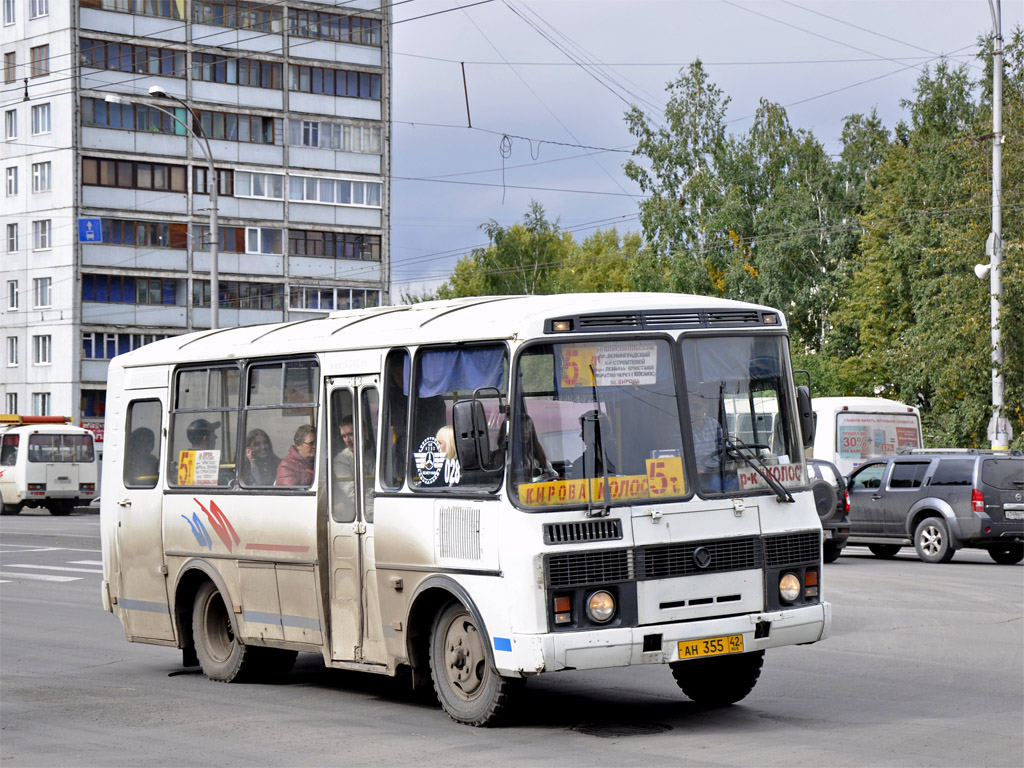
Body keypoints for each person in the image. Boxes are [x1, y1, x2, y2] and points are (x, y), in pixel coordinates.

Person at [570, 410, 616, 479]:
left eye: (583, 430)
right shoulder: (619, 451)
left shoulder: (616, 454)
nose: (580, 435)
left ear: (593, 432)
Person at [518, 415, 555, 481]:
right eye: (521, 429)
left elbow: (554, 473)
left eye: (528, 428)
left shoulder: (538, 452)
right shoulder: (508, 455)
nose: (525, 432)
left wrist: (548, 475)